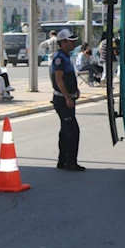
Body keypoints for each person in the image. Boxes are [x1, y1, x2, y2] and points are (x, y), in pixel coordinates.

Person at [50, 29, 85, 172]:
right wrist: (67, 98)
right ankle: (70, 162)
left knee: (65, 130)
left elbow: (69, 78)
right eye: (70, 41)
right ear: (63, 43)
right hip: (62, 99)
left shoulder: (66, 56)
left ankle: (63, 160)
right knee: (72, 131)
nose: (73, 43)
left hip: (67, 97)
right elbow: (59, 80)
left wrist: (75, 91)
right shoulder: (59, 58)